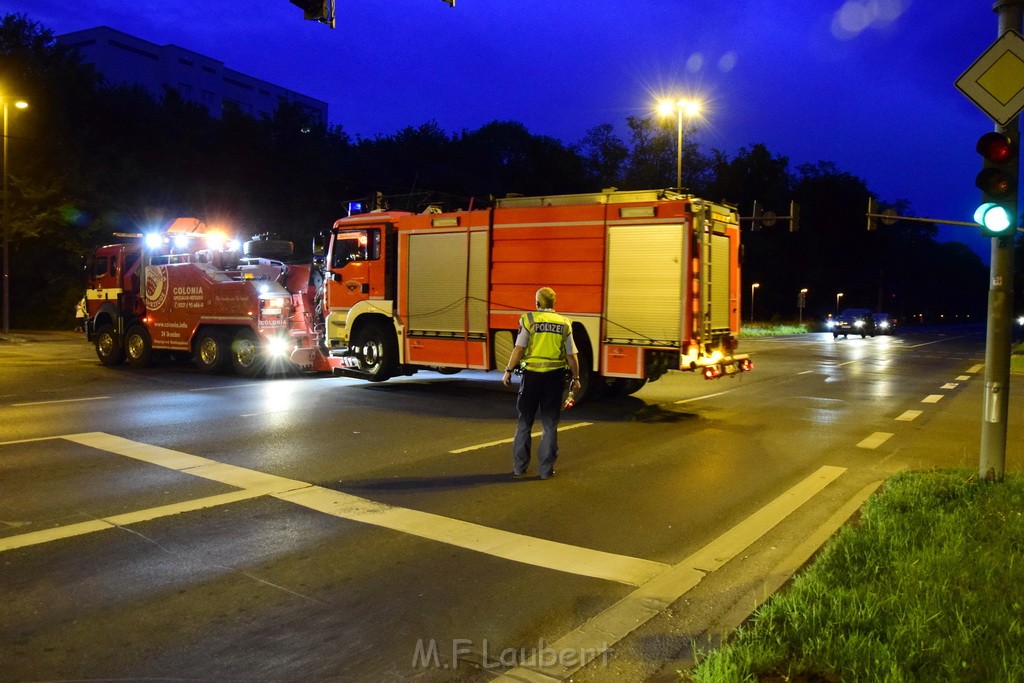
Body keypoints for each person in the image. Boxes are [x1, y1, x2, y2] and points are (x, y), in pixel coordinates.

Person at [501, 287, 581, 480]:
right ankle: (545, 470)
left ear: (537, 304)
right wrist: (576, 378)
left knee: (524, 423)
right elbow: (571, 355)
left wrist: (508, 371)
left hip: (531, 378)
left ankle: (520, 468)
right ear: (555, 304)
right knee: (550, 425)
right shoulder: (564, 323)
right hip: (554, 379)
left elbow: (519, 348)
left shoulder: (528, 320)